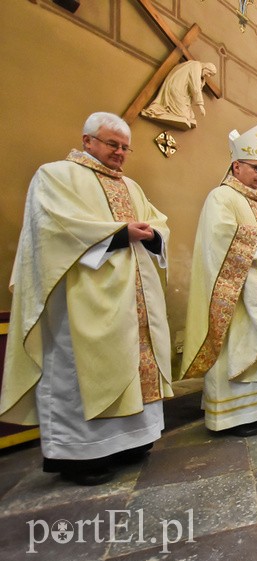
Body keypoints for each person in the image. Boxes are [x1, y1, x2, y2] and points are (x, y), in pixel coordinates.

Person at [0, 112, 172, 486]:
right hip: (83, 297)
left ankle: (131, 442)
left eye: (125, 147)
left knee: (132, 363)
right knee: (83, 369)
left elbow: (157, 221)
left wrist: (152, 232)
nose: (120, 153)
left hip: (133, 297)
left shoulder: (131, 186)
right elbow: (54, 228)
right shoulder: (55, 176)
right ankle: (82, 456)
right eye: (113, 144)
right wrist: (118, 233)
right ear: (88, 140)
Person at [181, 126, 257, 437]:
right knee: (236, 347)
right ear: (236, 166)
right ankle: (236, 414)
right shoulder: (221, 196)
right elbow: (218, 239)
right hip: (237, 294)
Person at [141, 60, 217, 129]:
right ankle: (159, 110)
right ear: (206, 67)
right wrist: (200, 105)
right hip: (176, 90)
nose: (208, 76)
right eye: (209, 73)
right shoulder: (196, 66)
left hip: (181, 91)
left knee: (189, 115)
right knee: (183, 115)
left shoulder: (195, 67)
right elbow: (195, 86)